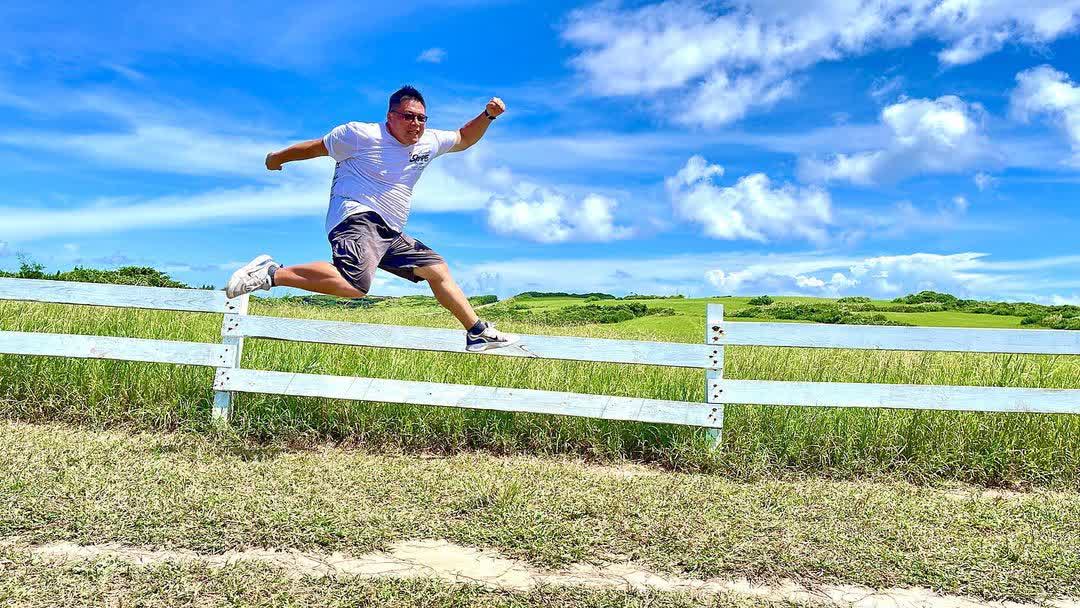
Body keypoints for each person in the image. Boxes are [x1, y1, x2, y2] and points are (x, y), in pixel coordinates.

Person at [226, 85, 518, 352]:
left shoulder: (429, 141)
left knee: (437, 269)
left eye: (421, 118)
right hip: (356, 215)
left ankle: (477, 332)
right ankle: (271, 273)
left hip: (390, 231)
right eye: (408, 117)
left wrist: (488, 115)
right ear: (390, 116)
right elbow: (315, 147)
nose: (415, 124)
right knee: (354, 285)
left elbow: (465, 138)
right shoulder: (359, 135)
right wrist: (276, 158)